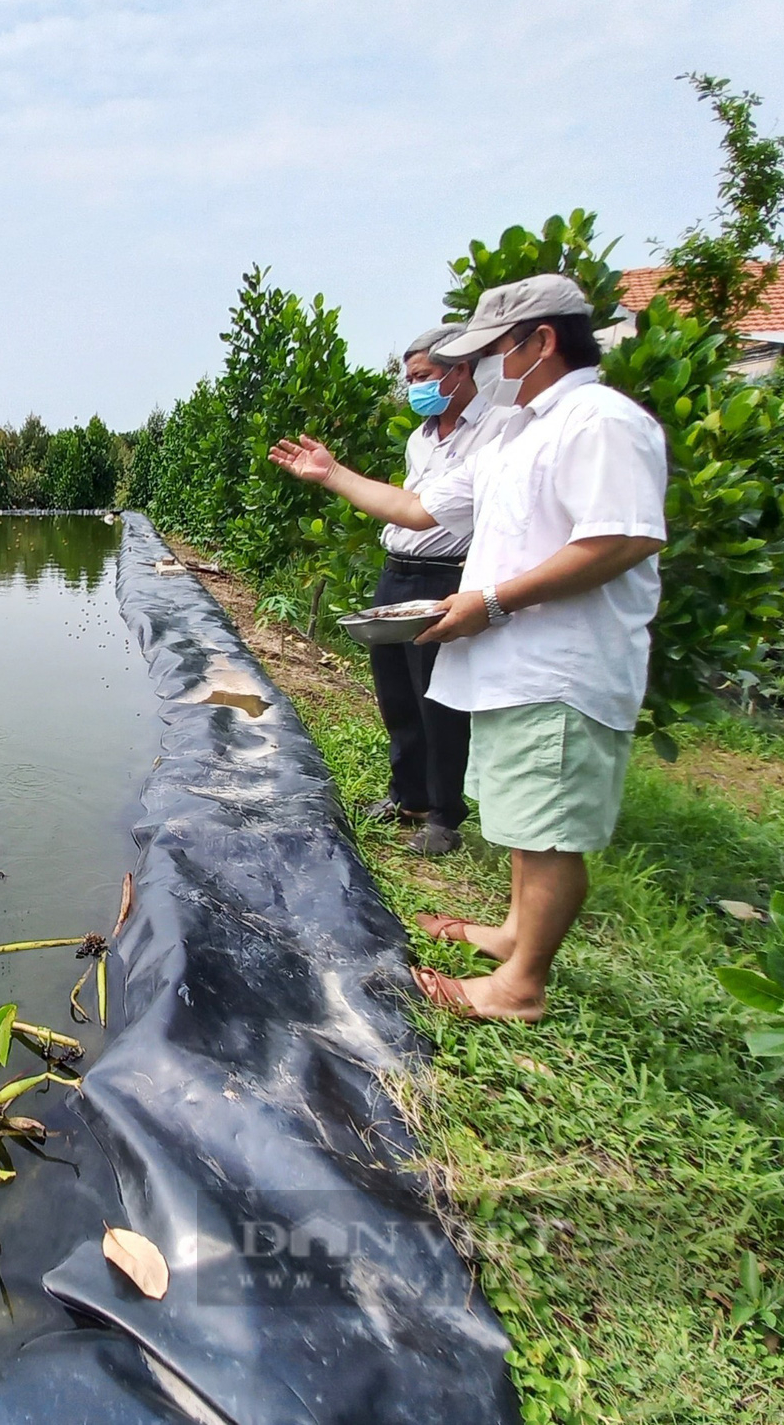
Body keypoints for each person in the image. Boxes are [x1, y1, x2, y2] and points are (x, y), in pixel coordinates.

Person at [269, 273, 667, 1021]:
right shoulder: (522, 433)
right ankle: (515, 932)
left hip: (564, 663)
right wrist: (331, 475)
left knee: (548, 830)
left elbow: (622, 537)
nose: (483, 371)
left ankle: (520, 988)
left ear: (542, 341)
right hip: (520, 661)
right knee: (524, 814)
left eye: (493, 352)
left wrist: (491, 600)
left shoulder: (598, 421)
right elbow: (420, 508)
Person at [363, 324, 503, 856]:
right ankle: (409, 796)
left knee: (438, 697)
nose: (414, 387)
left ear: (460, 370)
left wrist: (332, 473)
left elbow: (434, 513)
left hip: (447, 574)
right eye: (410, 377)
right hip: (398, 569)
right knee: (396, 690)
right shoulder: (420, 438)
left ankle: (445, 815)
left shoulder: (492, 432)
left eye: (422, 376)